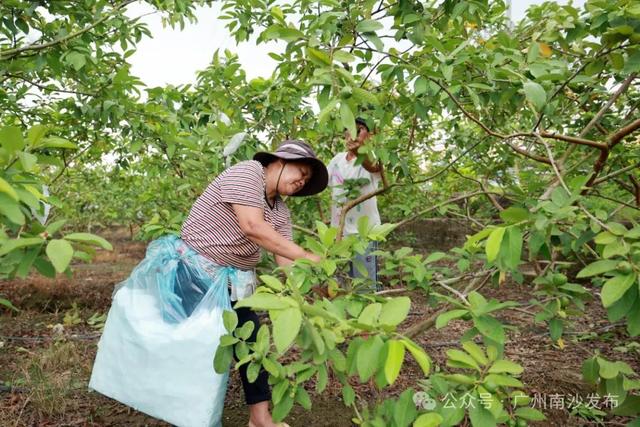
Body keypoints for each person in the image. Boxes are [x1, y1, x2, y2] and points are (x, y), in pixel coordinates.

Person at [180, 139, 328, 427]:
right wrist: (308, 256)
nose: (302, 181)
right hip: (197, 273)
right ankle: (186, 416)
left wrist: (306, 292)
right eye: (301, 171)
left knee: (252, 344)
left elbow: (284, 257)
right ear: (279, 160)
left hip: (235, 281)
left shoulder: (281, 210)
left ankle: (260, 420)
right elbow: (252, 227)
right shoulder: (248, 172)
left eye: (307, 180)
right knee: (198, 346)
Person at [328, 117, 382, 291]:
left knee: (364, 285)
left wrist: (360, 153)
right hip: (339, 234)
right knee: (340, 285)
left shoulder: (374, 158)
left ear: (371, 135)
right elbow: (322, 181)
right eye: (349, 129)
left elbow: (375, 168)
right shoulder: (337, 160)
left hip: (364, 235)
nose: (352, 134)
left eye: (359, 130)